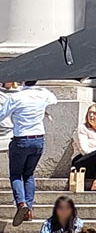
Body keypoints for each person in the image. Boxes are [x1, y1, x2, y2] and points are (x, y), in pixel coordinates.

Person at [0, 80, 57, 224]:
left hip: (21, 139)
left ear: (23, 81)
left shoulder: (16, 97)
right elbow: (54, 99)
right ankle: (29, 209)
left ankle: (22, 204)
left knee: (15, 174)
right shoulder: (43, 94)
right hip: (38, 139)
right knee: (29, 174)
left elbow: (1, 114)